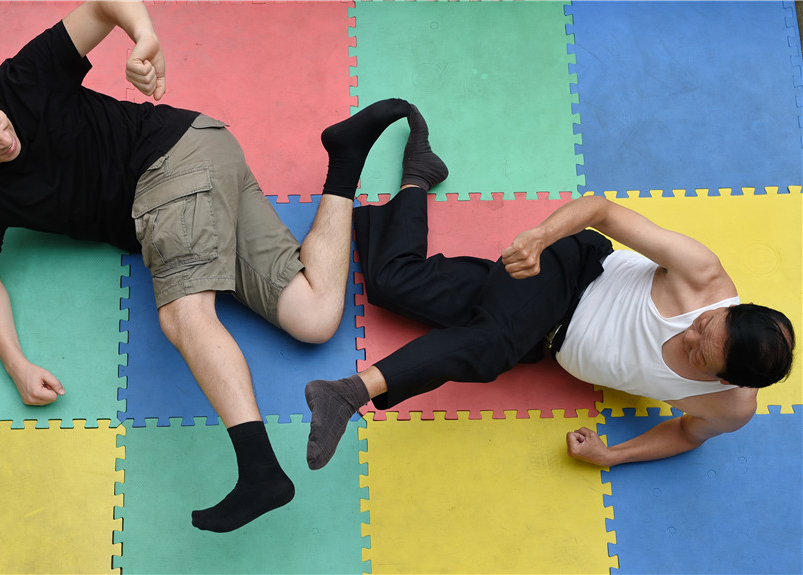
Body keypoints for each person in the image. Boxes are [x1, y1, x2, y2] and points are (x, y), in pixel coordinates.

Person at [0, 1, 413, 532]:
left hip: (171, 160)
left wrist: (143, 36)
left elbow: (105, 4)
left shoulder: (22, 79)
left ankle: (261, 472)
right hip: (201, 181)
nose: (4, 140)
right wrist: (17, 364)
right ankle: (346, 160)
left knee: (183, 316)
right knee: (315, 318)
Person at [305, 107, 796, 471]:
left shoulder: (730, 407)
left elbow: (689, 434)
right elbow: (601, 210)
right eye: (704, 324)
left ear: (728, 380)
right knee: (490, 345)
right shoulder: (702, 275)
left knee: (394, 283)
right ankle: (349, 393)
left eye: (699, 357)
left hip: (537, 336)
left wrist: (613, 456)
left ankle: (418, 177)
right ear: (730, 309)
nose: (691, 335)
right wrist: (542, 236)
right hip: (567, 273)